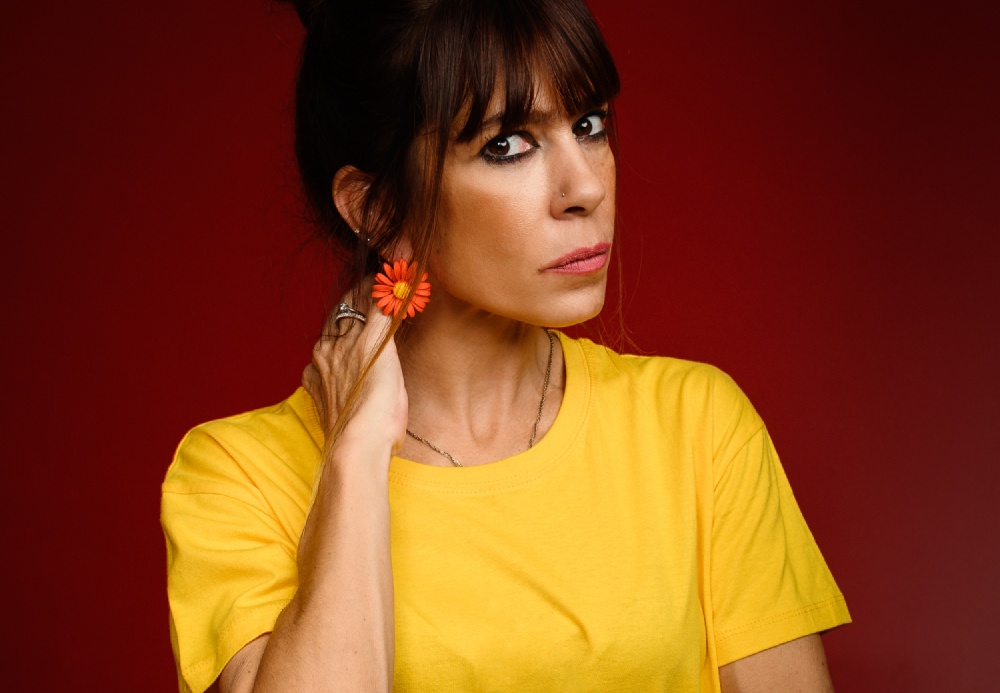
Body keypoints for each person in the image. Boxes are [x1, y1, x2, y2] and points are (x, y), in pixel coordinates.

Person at [161, 0, 851, 691]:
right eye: (509, 144)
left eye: (589, 125)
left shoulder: (698, 426)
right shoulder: (237, 475)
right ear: (379, 208)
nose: (586, 187)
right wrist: (357, 453)